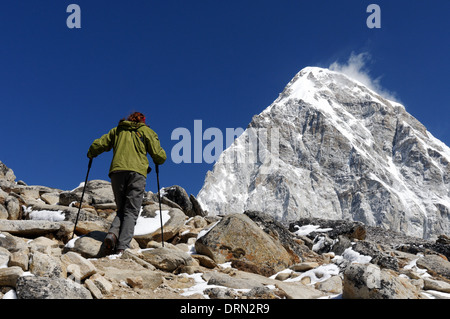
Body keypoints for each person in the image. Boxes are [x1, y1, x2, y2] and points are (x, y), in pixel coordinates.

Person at [87, 112, 167, 255]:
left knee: (122, 209)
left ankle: (112, 235)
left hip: (117, 172)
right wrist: (160, 157)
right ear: (143, 121)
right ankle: (122, 248)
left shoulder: (118, 130)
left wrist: (92, 152)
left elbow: (101, 143)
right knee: (131, 211)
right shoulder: (147, 132)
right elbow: (158, 155)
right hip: (137, 173)